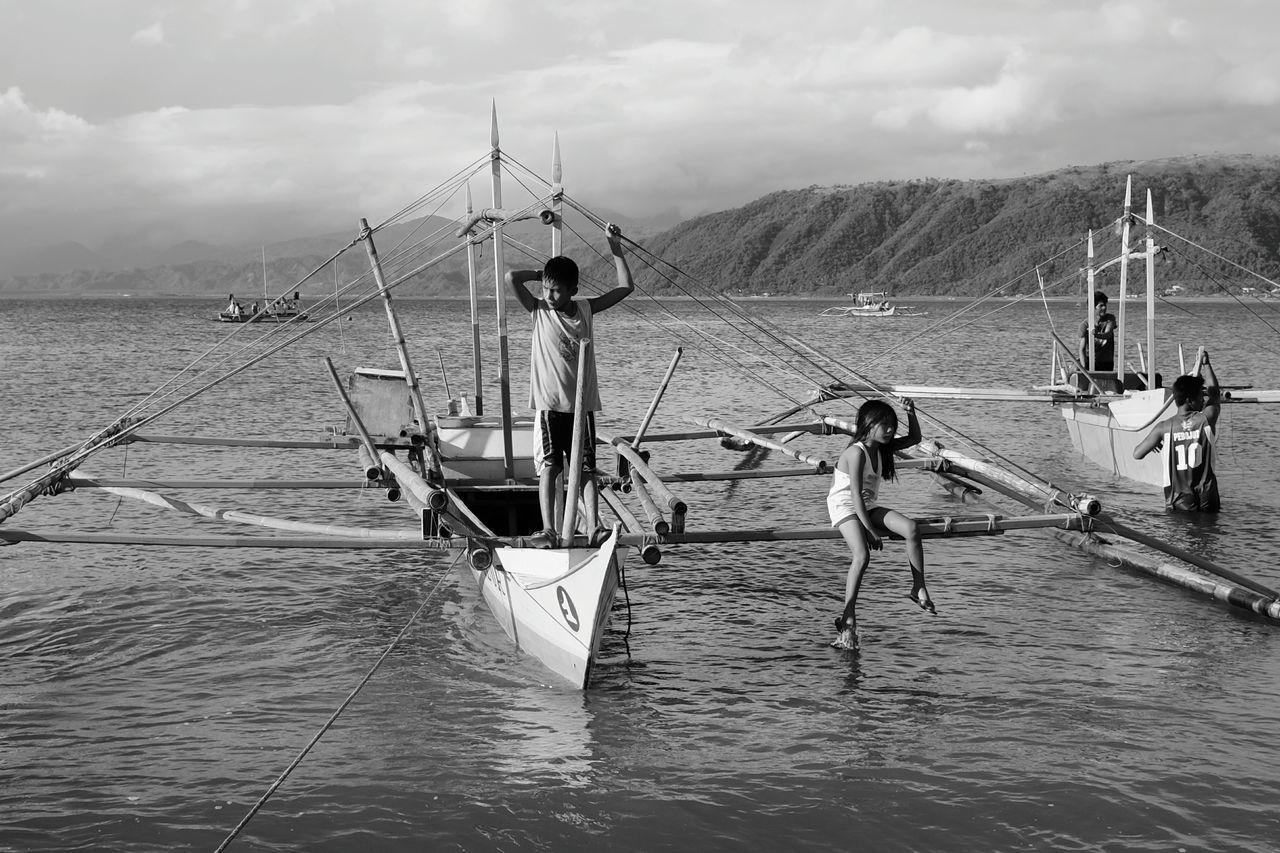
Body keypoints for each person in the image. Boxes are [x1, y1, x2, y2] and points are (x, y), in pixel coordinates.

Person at [506, 222, 635, 546]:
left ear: (573, 290)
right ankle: (548, 529)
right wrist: (544, 272)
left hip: (582, 407)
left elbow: (625, 287)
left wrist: (614, 246)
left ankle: (593, 526)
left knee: (586, 469)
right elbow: (511, 278)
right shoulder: (538, 310)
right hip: (550, 406)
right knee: (549, 467)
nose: (549, 296)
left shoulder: (586, 310)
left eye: (557, 290)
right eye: (547, 289)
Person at [827, 398, 931, 650]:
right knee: (862, 555)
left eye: (892, 425)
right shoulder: (855, 452)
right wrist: (870, 531)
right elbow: (853, 496)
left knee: (912, 528)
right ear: (867, 424)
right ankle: (848, 613)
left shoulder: (882, 449)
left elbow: (915, 438)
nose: (890, 430)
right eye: (883, 425)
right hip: (844, 505)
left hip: (867, 505)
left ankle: (918, 586)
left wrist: (911, 412)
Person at [1133, 353, 1221, 512]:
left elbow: (1137, 454)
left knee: (1179, 535)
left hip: (1179, 498)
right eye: (1201, 396)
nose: (1204, 399)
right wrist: (1207, 365)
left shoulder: (1163, 428)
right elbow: (1215, 394)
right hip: (1207, 496)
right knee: (1209, 534)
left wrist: (1156, 443)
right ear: (1189, 400)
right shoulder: (1206, 419)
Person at [1078, 291, 1117, 372]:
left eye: (1105, 305)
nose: (1104, 308)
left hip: (1106, 363)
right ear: (1093, 307)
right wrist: (1084, 368)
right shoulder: (1085, 325)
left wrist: (1096, 334)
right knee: (1074, 366)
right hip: (1091, 361)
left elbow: (1108, 334)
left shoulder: (1110, 318)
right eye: (1101, 306)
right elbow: (1082, 349)